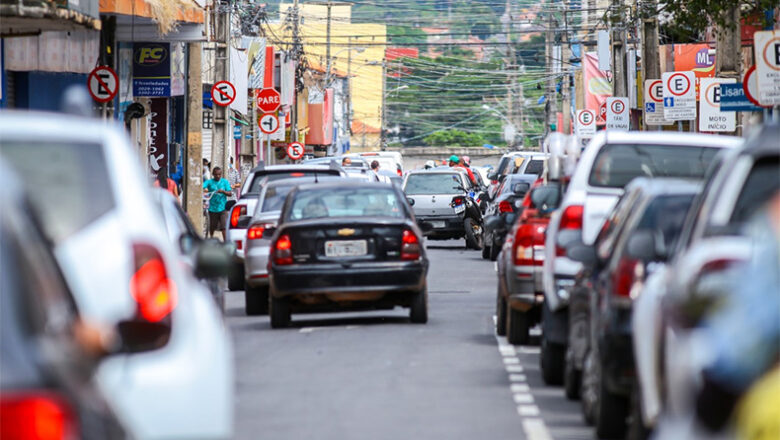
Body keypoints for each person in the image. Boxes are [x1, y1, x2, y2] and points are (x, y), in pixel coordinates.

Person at [203, 167, 232, 240]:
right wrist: (204, 190)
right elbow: (202, 186)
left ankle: (225, 243)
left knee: (224, 227)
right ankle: (211, 239)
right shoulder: (209, 182)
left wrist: (223, 191)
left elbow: (230, 193)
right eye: (216, 175)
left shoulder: (225, 182)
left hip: (223, 208)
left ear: (221, 174)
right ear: (213, 174)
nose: (217, 176)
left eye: (219, 174)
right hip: (212, 208)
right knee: (212, 226)